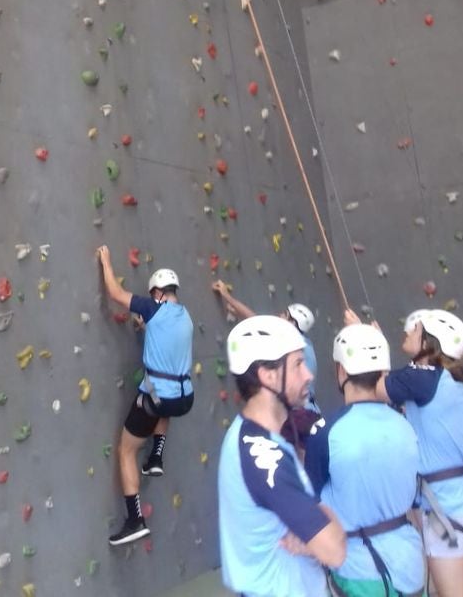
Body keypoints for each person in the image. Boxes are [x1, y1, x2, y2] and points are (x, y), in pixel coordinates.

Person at [347, 308, 463, 597]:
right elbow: (398, 385)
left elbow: (373, 388)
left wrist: (367, 340)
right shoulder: (448, 379)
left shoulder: (424, 379)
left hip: (445, 504)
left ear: (428, 342)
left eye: (415, 330)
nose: (409, 331)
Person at [218, 315, 345, 597]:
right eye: (298, 364)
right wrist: (327, 522)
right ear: (268, 375)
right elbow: (335, 550)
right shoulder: (265, 457)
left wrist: (313, 533)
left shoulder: (253, 436)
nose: (308, 374)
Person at [305, 323, 425, 597]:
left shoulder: (325, 431)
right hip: (410, 562)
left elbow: (311, 503)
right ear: (383, 371)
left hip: (358, 568)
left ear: (342, 370)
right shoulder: (405, 424)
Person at [97, 246, 194, 546]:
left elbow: (115, 293)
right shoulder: (185, 316)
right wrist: (144, 324)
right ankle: (156, 456)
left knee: (126, 451)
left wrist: (106, 260)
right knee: (165, 405)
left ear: (157, 293)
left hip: (156, 400)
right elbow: (164, 338)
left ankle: (134, 519)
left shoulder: (153, 308)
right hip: (184, 398)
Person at [213, 281, 319, 447]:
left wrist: (227, 296)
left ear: (292, 322)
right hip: (309, 412)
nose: (279, 315)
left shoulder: (287, 343)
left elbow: (256, 320)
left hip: (296, 416)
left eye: (285, 313)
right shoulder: (306, 345)